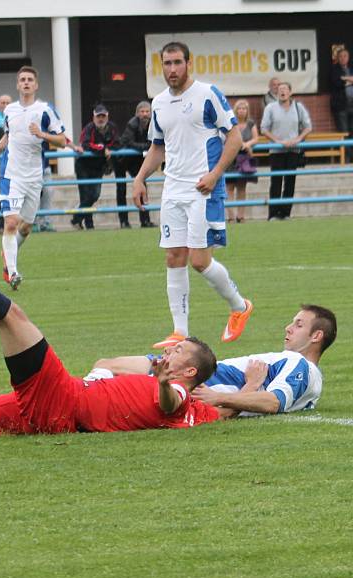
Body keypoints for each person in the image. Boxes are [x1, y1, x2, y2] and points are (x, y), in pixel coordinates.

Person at [0, 204, 230, 445]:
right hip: (55, 416)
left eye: (180, 350)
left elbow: (171, 402)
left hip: (64, 400)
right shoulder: (171, 388)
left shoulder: (179, 394)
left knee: (11, 316)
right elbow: (103, 365)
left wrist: (164, 384)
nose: (171, 348)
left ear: (188, 373)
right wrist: (151, 368)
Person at [132, 41, 253, 350]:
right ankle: (180, 332)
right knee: (174, 256)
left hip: (202, 188)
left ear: (188, 63)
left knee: (200, 260)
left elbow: (235, 137)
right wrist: (140, 178)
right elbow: (157, 146)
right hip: (172, 188)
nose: (172, 69)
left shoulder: (207, 94)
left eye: (177, 62)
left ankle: (240, 306)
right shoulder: (158, 102)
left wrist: (214, 176)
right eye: (167, 63)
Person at [88, 304, 336, 417]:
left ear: (316, 336)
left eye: (299, 324)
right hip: (189, 377)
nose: (288, 327)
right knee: (106, 369)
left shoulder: (299, 364)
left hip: (186, 375)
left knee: (106, 367)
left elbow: (273, 402)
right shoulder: (309, 381)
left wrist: (218, 397)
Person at [0, 66, 65, 290]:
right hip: (11, 174)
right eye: (22, 79)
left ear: (36, 85)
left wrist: (42, 134)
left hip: (34, 176)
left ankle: (8, 256)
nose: (25, 83)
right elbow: (8, 134)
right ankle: (12, 272)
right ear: (17, 84)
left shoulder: (45, 110)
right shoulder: (10, 110)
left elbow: (62, 140)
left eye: (29, 79)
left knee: (26, 228)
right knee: (11, 222)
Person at [260, 81, 312, 221]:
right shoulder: (270, 108)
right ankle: (273, 214)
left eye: (285, 89)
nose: (282, 91)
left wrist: (298, 139)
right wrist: (277, 141)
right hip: (276, 150)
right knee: (276, 182)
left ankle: (286, 213)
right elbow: (263, 128)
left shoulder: (298, 107)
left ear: (290, 92)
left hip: (294, 150)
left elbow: (308, 127)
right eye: (280, 89)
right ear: (277, 92)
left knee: (290, 182)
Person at [71, 104, 120, 230]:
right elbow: (86, 144)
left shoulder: (112, 128)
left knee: (95, 195)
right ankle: (89, 225)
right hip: (83, 165)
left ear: (107, 117)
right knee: (86, 196)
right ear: (94, 117)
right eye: (98, 116)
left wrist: (108, 149)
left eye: (103, 116)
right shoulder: (89, 128)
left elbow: (117, 143)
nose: (101, 119)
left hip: (98, 167)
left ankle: (76, 218)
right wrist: (103, 149)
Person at [117, 101, 154, 228]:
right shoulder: (132, 124)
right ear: (137, 113)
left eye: (147, 111)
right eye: (142, 112)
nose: (145, 114)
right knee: (121, 189)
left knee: (142, 187)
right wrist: (146, 148)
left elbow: (154, 142)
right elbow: (129, 142)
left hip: (137, 160)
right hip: (121, 160)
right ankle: (123, 222)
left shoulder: (153, 124)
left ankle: (145, 220)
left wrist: (148, 148)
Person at [225, 100, 259, 224]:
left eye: (244, 109)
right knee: (229, 188)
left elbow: (256, 138)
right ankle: (231, 216)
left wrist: (247, 144)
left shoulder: (251, 123)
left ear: (247, 111)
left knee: (242, 187)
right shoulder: (230, 123)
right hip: (231, 157)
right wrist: (239, 144)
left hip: (245, 157)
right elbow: (225, 137)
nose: (241, 111)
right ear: (235, 110)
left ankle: (241, 216)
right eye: (239, 108)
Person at [329, 48, 353, 161]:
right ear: (338, 58)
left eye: (345, 56)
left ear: (348, 58)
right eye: (341, 56)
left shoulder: (351, 68)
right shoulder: (334, 70)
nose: (343, 58)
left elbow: (342, 81)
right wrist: (349, 80)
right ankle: (347, 158)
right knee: (344, 132)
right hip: (341, 106)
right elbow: (337, 83)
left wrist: (345, 78)